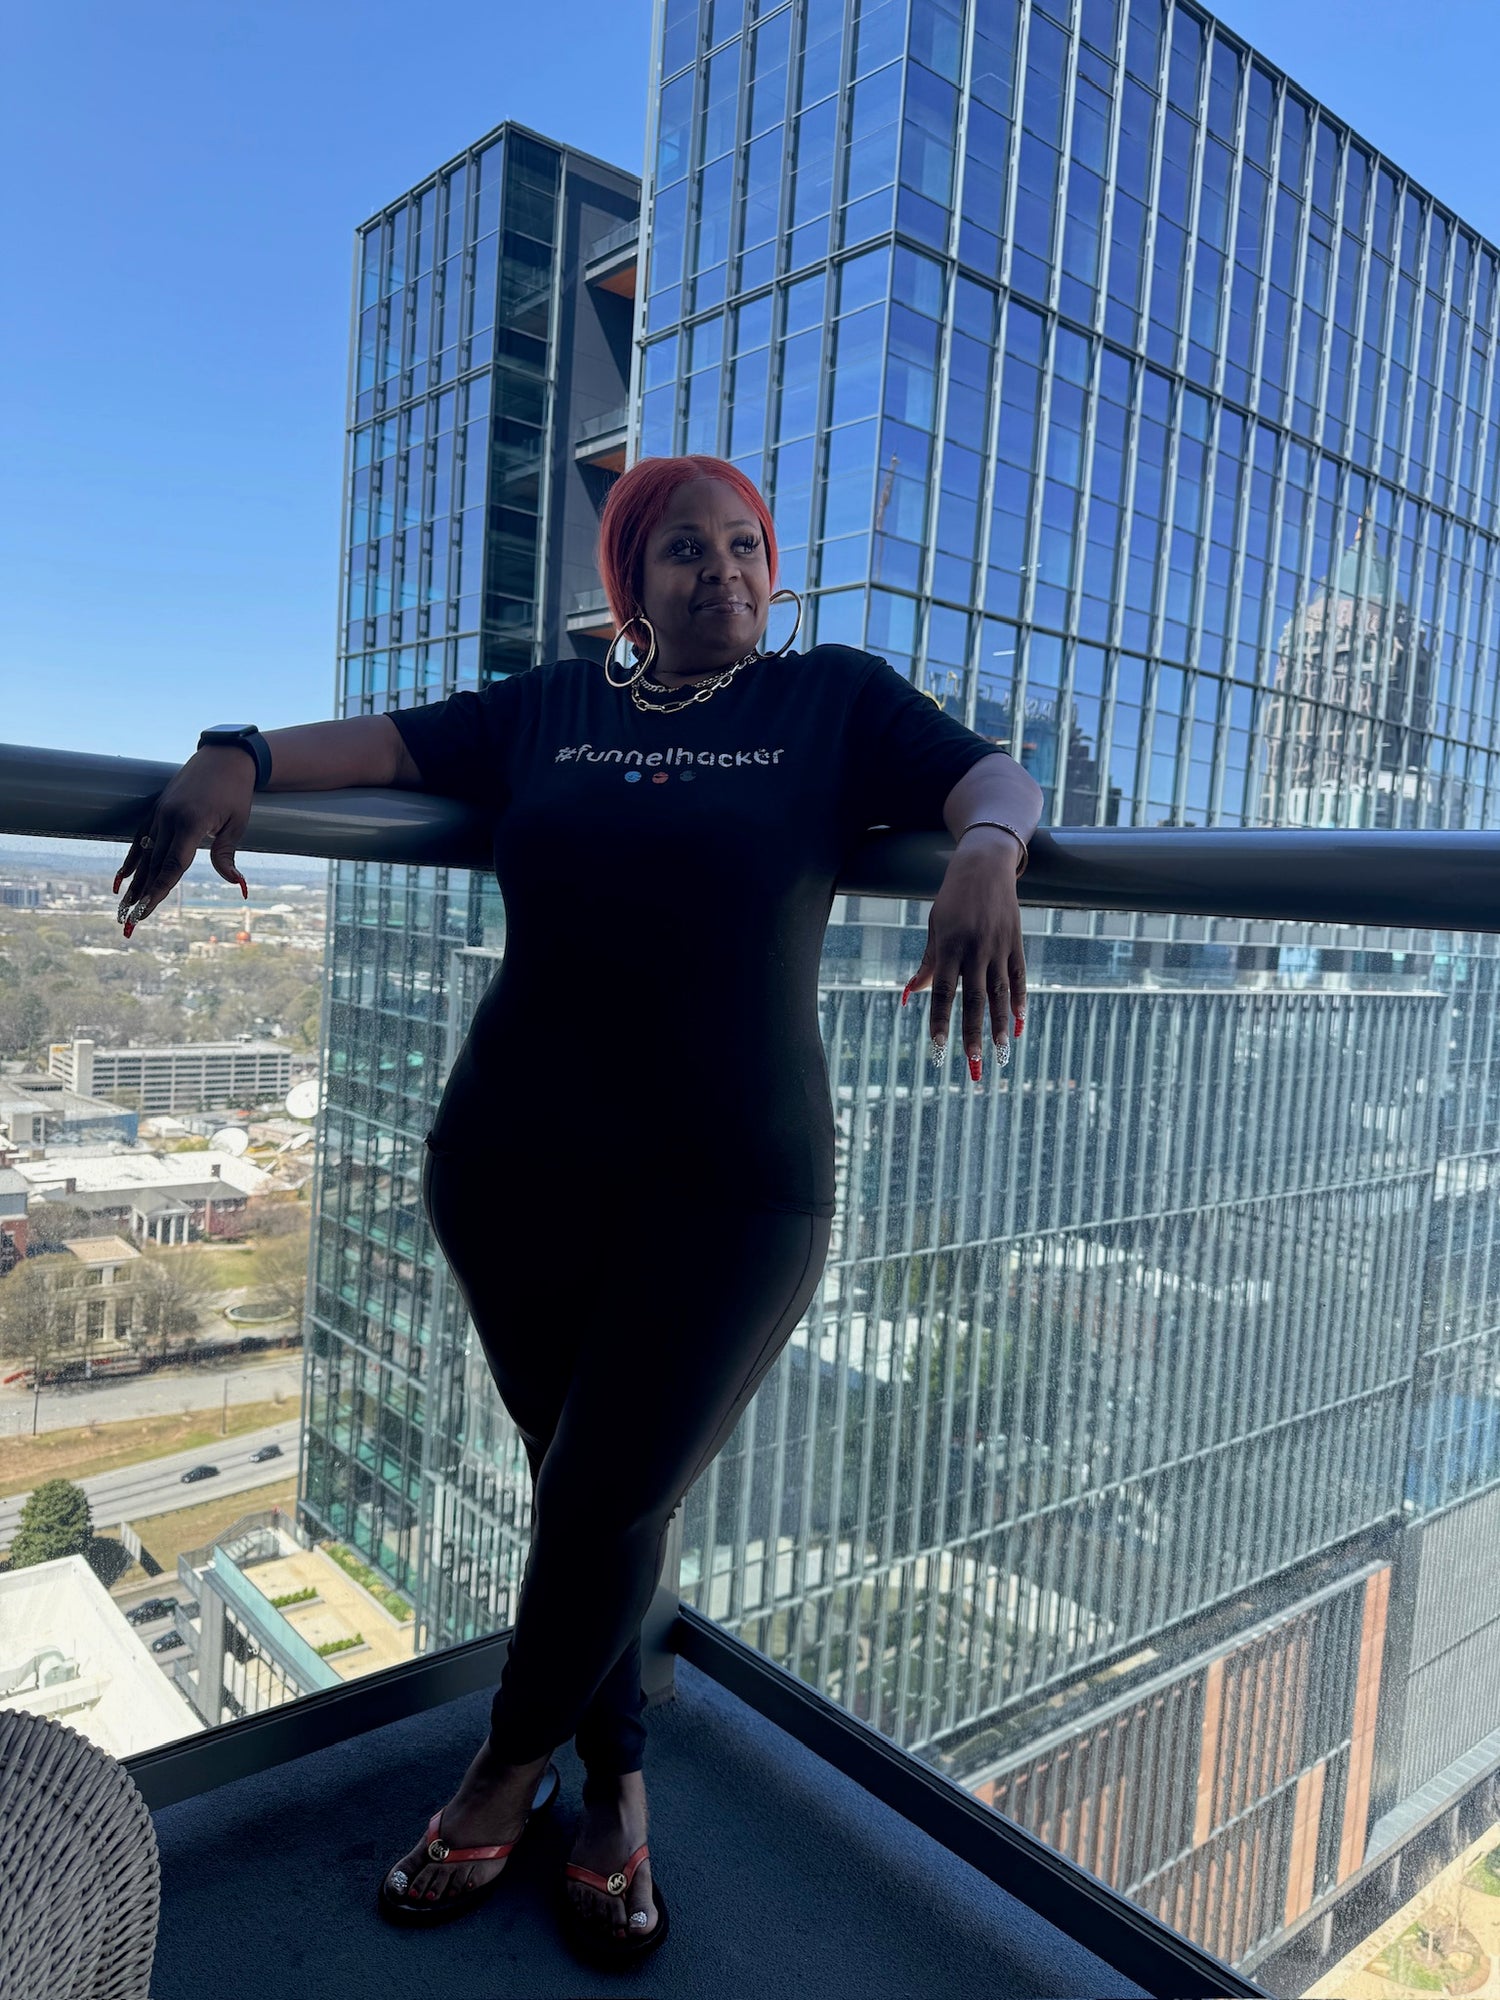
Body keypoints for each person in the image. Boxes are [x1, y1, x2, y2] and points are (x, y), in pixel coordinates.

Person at [111, 452, 1042, 1964]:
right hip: (513, 1163)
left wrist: (988, 847)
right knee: (582, 1491)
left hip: (737, 1186)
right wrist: (239, 756)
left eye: (747, 546)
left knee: (609, 1492)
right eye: (685, 550)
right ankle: (615, 1784)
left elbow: (987, 774)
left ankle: (503, 1768)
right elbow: (385, 744)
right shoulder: (555, 708)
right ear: (633, 580)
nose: (724, 572)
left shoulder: (833, 702)